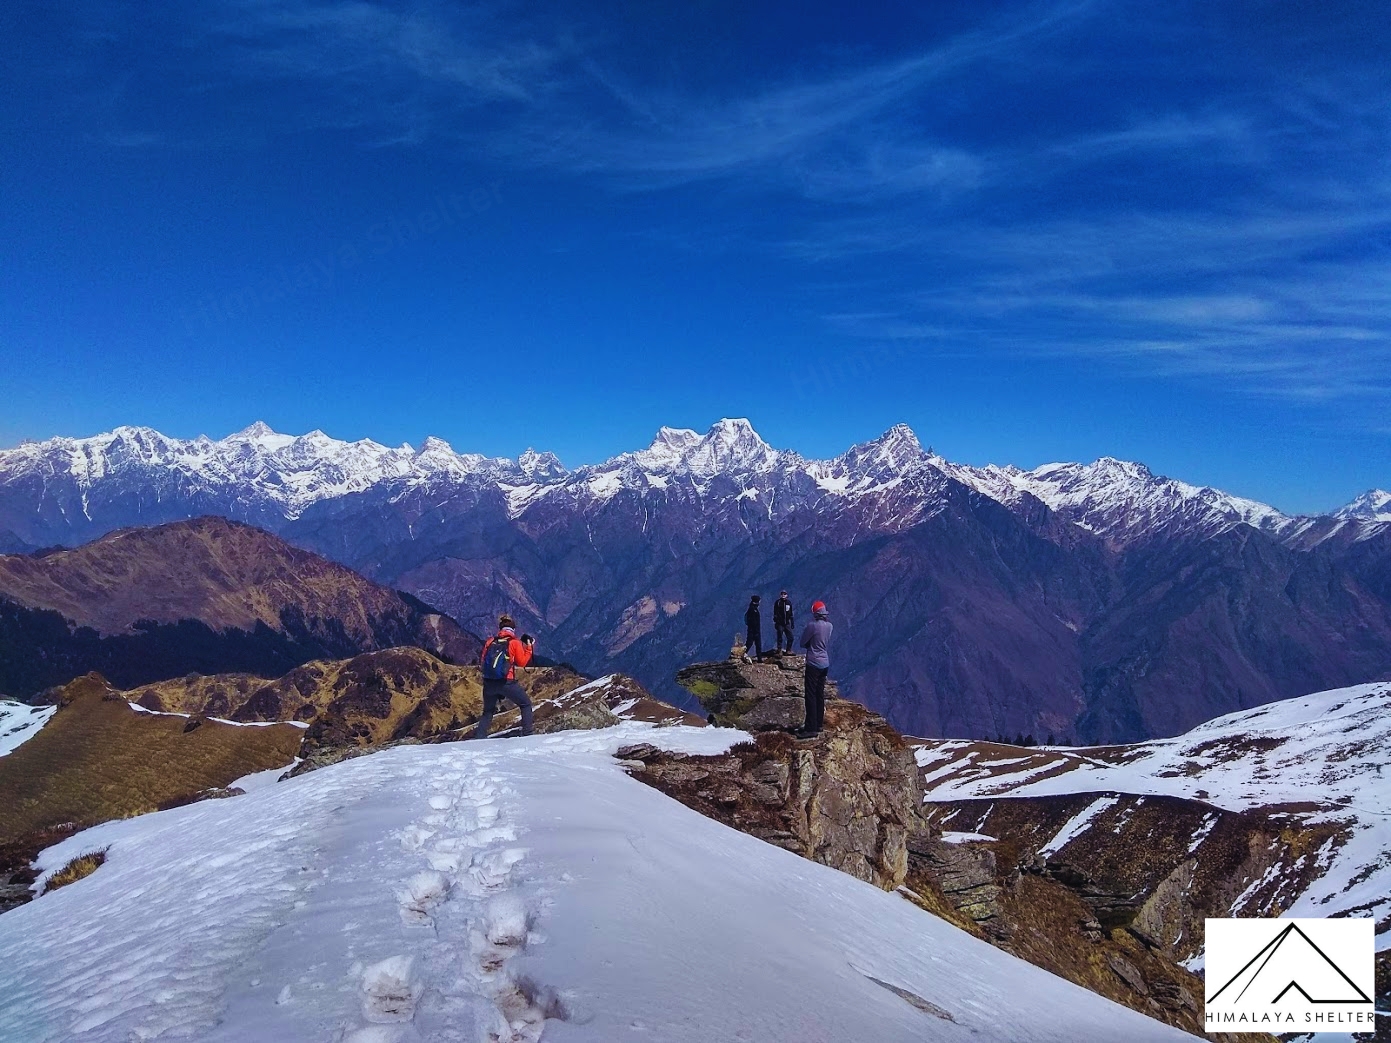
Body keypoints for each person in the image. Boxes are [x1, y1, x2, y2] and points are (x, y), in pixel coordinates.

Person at [473, 614, 535, 739]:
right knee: (525, 704)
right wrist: (529, 648)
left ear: (500, 629)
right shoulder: (514, 643)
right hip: (506, 682)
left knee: (488, 711)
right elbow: (522, 662)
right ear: (513, 629)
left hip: (489, 682)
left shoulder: (490, 641)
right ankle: (528, 735)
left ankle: (478, 739)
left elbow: (483, 660)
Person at [798, 600, 833, 737]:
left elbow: (803, 642)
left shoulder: (812, 626)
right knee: (819, 694)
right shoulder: (830, 626)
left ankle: (810, 728)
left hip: (813, 662)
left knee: (810, 695)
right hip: (825, 663)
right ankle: (818, 724)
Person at [743, 595, 763, 661]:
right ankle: (743, 653)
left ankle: (759, 658)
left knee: (754, 644)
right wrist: (755, 630)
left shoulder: (752, 608)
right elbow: (753, 622)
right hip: (753, 630)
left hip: (753, 630)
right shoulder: (753, 610)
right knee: (751, 643)